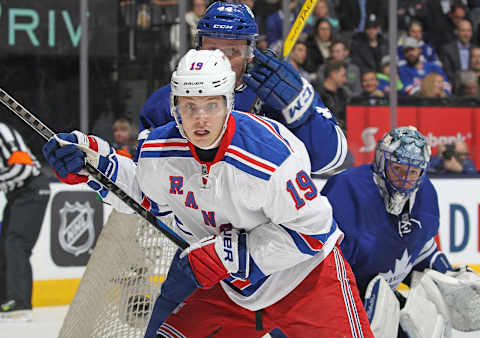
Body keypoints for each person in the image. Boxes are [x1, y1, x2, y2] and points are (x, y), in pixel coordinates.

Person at [42, 49, 373, 338]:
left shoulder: (270, 157)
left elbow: (314, 231)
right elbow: (144, 193)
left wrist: (227, 255)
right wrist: (95, 163)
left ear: (228, 103)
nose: (200, 119)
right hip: (234, 291)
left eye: (211, 105)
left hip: (307, 281)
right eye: (189, 106)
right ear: (175, 107)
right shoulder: (159, 150)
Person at [138, 1, 348, 177]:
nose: (220, 58)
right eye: (212, 49)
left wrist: (299, 113)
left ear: (250, 54)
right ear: (198, 48)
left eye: (232, 51)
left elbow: (330, 159)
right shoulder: (170, 98)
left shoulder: (282, 92)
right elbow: (146, 169)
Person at [321, 126, 477, 336]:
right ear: (381, 161)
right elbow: (320, 261)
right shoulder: (347, 189)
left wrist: (447, 274)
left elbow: (419, 248)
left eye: (413, 172)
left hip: (383, 298)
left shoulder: (426, 194)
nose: (405, 179)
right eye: (398, 168)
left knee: (428, 326)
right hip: (336, 301)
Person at [0, 123, 50, 322]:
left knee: (16, 243)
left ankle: (20, 303)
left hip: (32, 190)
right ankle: (6, 300)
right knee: (5, 243)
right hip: (17, 194)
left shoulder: (2, 132)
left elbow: (24, 166)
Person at [439, 19, 475, 91]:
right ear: (456, 32)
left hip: (474, 87)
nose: (466, 34)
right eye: (463, 30)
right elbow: (447, 71)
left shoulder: (476, 50)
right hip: (456, 87)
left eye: (469, 31)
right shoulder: (447, 50)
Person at [314, 60, 349, 126]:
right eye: (343, 75)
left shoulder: (343, 93)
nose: (345, 79)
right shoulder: (318, 94)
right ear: (333, 74)